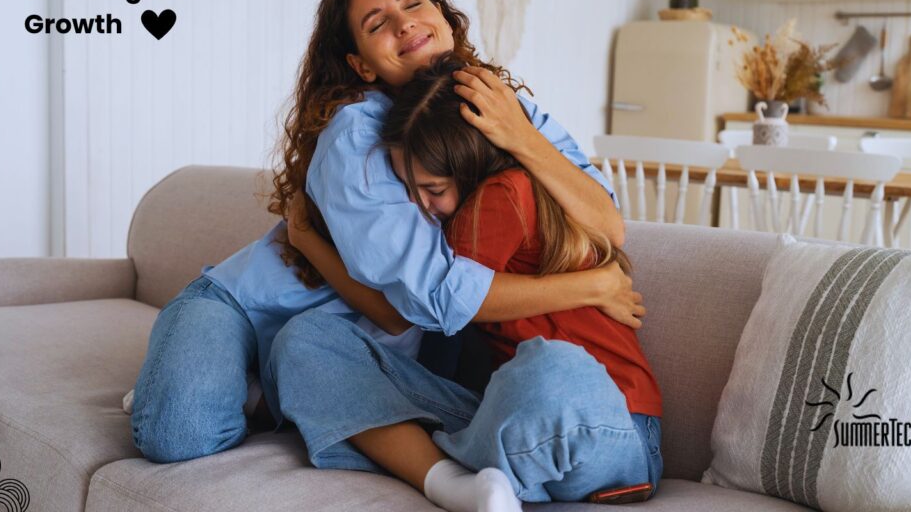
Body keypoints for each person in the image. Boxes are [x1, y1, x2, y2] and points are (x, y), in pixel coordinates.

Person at [130, 0, 641, 466]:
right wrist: (595, 286)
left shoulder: (505, 106)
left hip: (345, 349)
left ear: (444, 15)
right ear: (362, 64)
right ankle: (196, 379)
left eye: (413, 3)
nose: (404, 23)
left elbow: (607, 225)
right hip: (252, 304)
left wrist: (522, 138)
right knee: (178, 434)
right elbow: (425, 301)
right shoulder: (359, 130)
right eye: (376, 24)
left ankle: (264, 395)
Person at [280, 53, 662, 511]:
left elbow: (442, 306)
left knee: (552, 367)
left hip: (611, 425)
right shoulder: (479, 203)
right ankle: (461, 481)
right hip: (504, 418)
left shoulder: (501, 197)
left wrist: (309, 240)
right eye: (408, 191)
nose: (421, 206)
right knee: (307, 338)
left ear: (470, 164)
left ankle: (431, 459)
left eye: (433, 190)